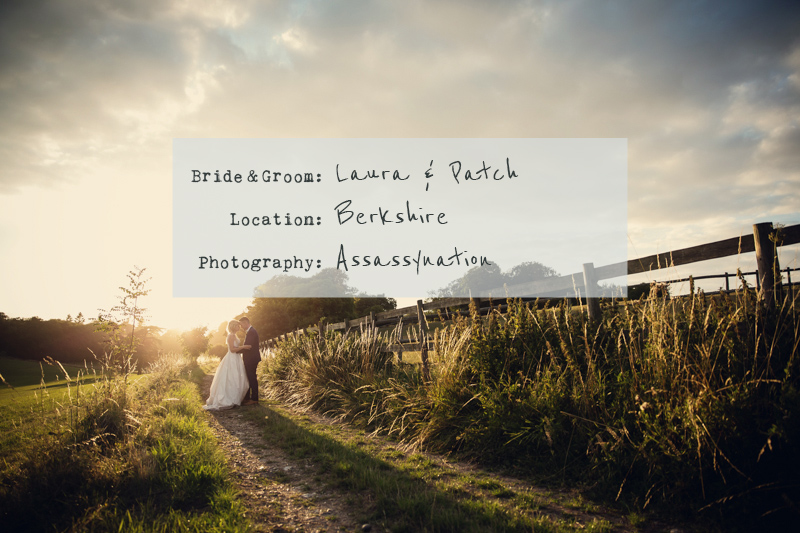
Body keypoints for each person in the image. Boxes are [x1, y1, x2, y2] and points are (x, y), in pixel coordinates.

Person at [203, 320, 250, 410]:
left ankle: (235, 398)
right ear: (233, 326)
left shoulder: (234, 335)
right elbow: (232, 349)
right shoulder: (230, 336)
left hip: (236, 358)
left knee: (236, 378)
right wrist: (243, 347)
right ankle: (228, 398)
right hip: (232, 358)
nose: (239, 327)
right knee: (231, 378)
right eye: (237, 326)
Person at [239, 316, 261, 405]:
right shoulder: (250, 332)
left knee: (252, 378)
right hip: (250, 358)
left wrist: (234, 351)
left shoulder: (252, 332)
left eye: (241, 325)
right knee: (249, 377)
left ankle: (254, 399)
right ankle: (248, 397)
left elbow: (248, 346)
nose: (240, 327)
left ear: (245, 323)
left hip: (251, 359)